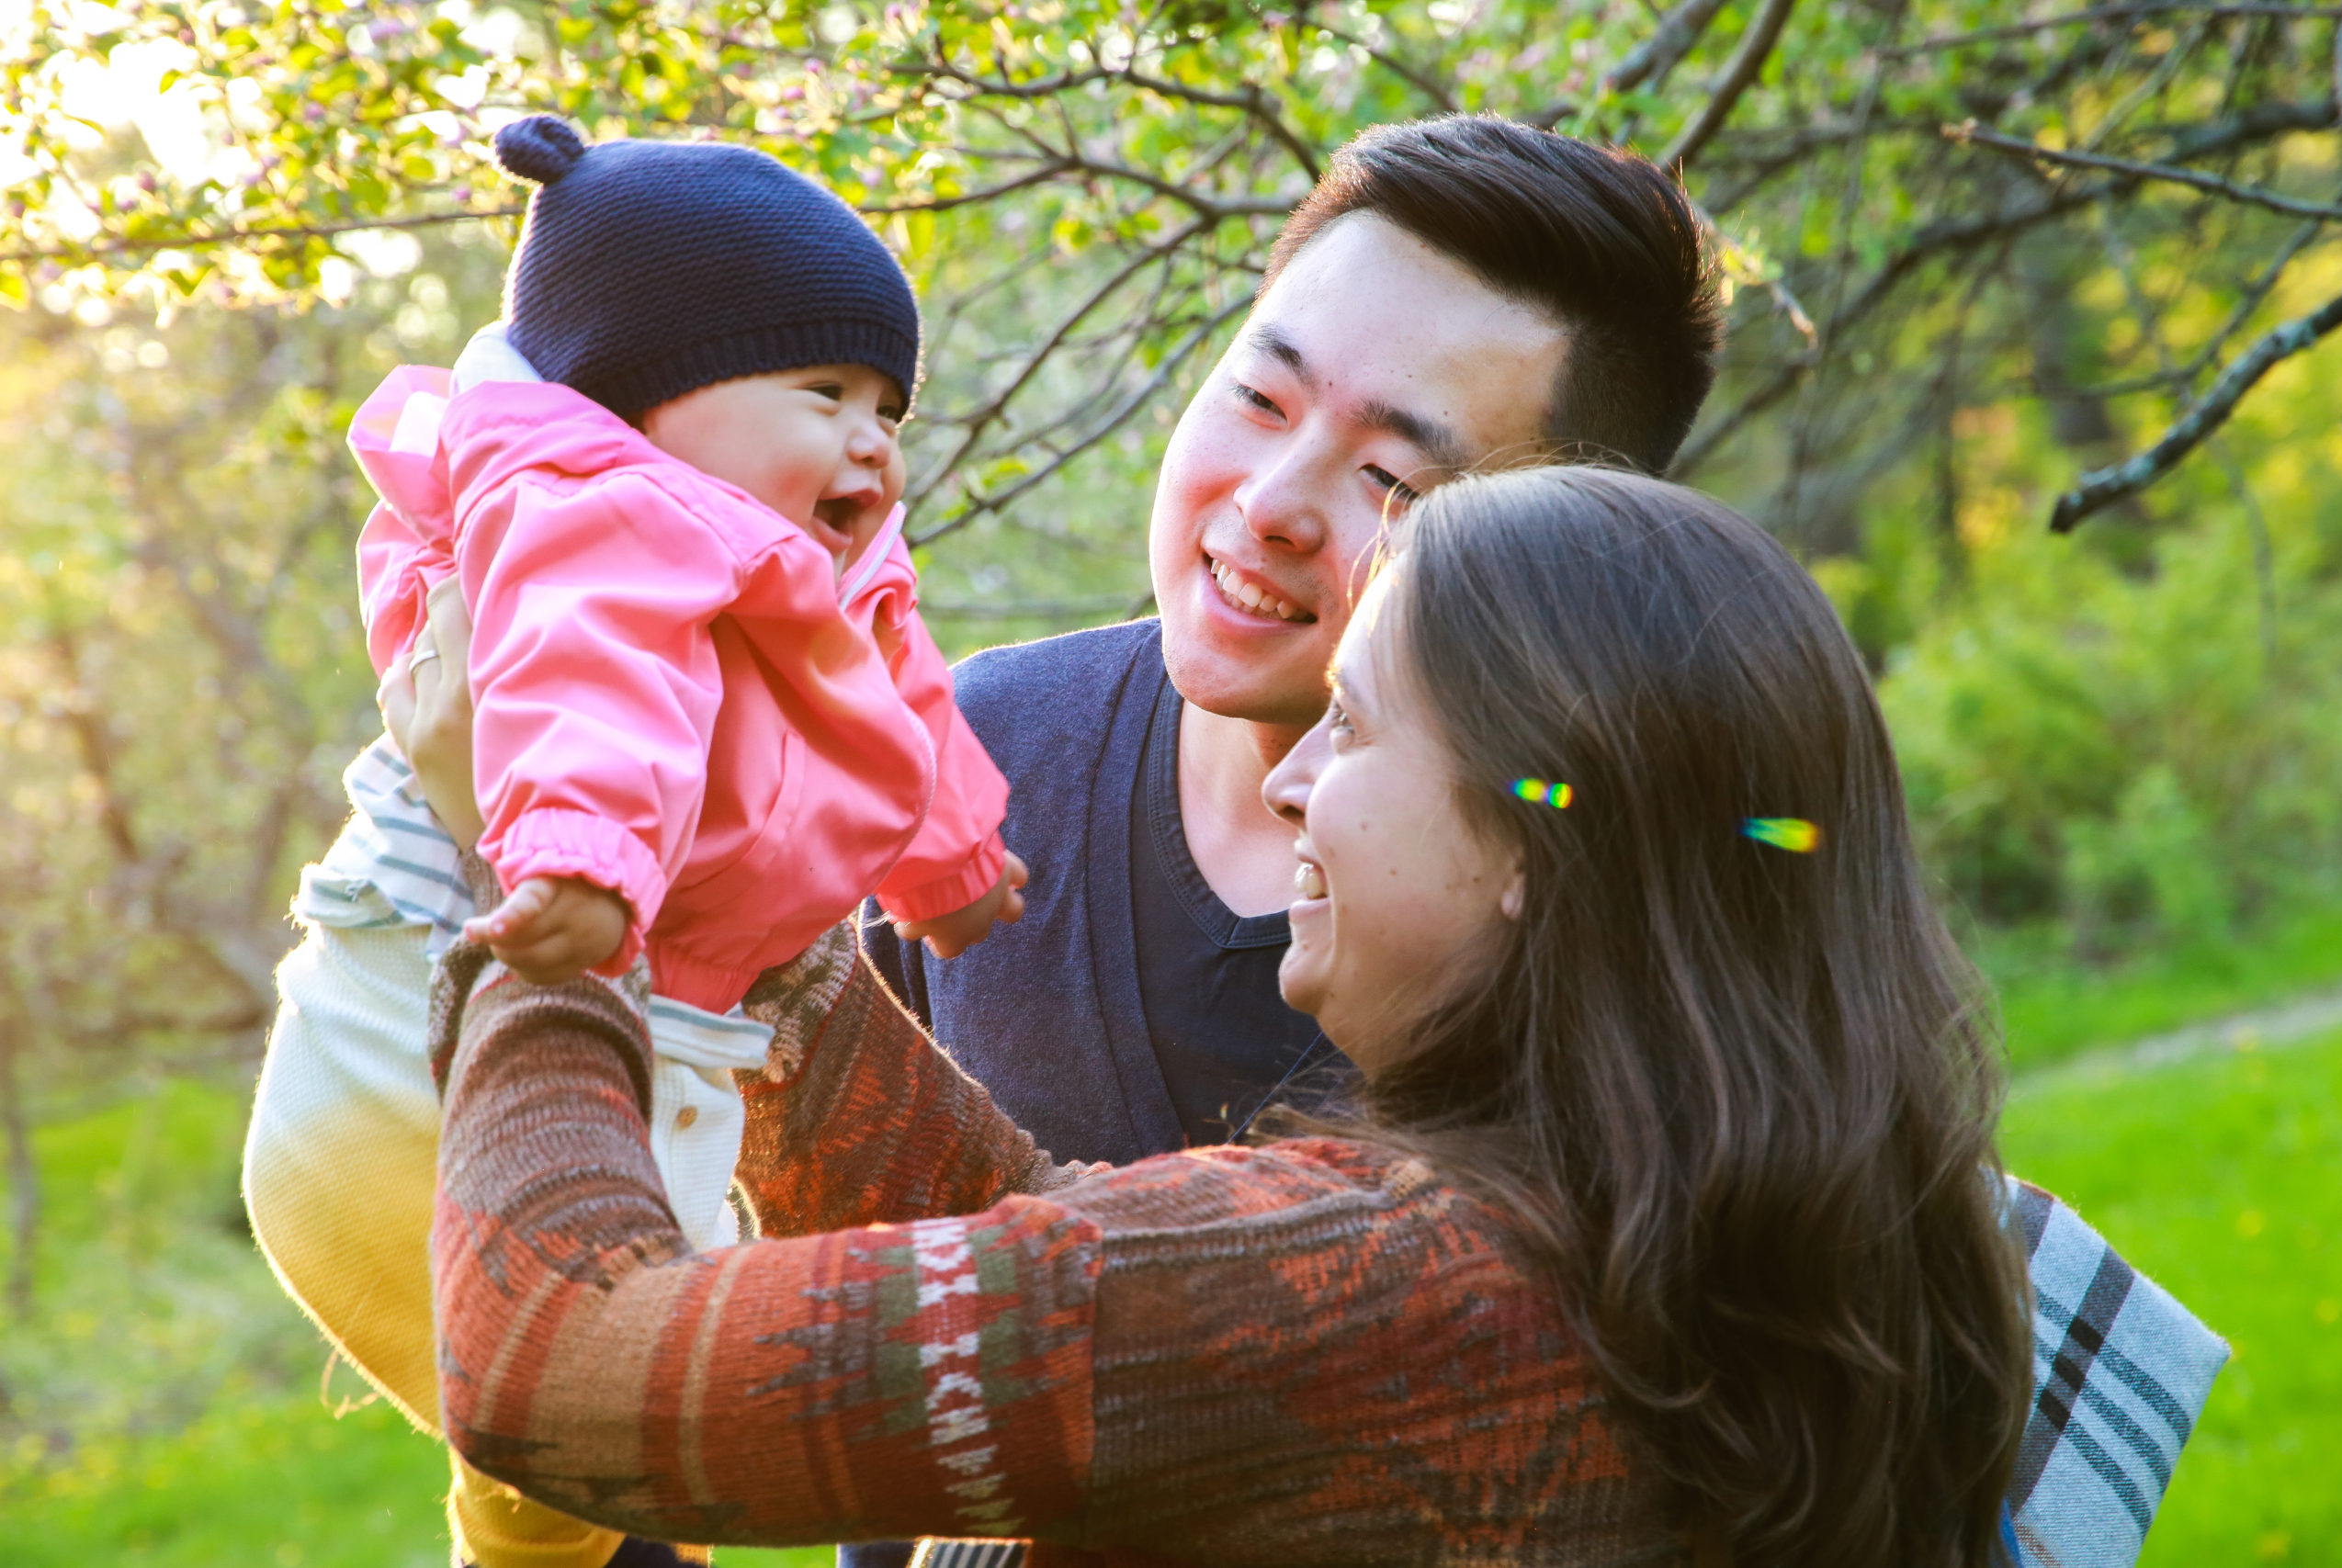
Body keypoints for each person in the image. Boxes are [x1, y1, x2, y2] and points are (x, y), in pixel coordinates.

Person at [415, 466, 2040, 1567]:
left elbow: (554, 1363)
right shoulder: (1726, 1238)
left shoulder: (1399, 1295)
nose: (1289, 777)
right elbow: (1081, 1268)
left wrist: (554, 907)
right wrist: (770, 937)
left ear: (1538, 836)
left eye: (1351, 724)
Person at [243, 115, 1022, 1568]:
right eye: (822, 389)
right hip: (390, 1079)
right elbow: (580, 685)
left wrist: (951, 864)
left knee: (658, 1439)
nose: (869, 436)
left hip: (599, 1064)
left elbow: (894, 689)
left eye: (886, 409)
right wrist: (587, 865)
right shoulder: (592, 512)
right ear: (651, 398)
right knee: (584, 1437)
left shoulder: (794, 541)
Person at [859, 115, 1723, 1188]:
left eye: (1392, 480)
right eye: (1259, 399)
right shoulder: (972, 755)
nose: (1271, 506)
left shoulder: (1599, 933)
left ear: (1556, 544)